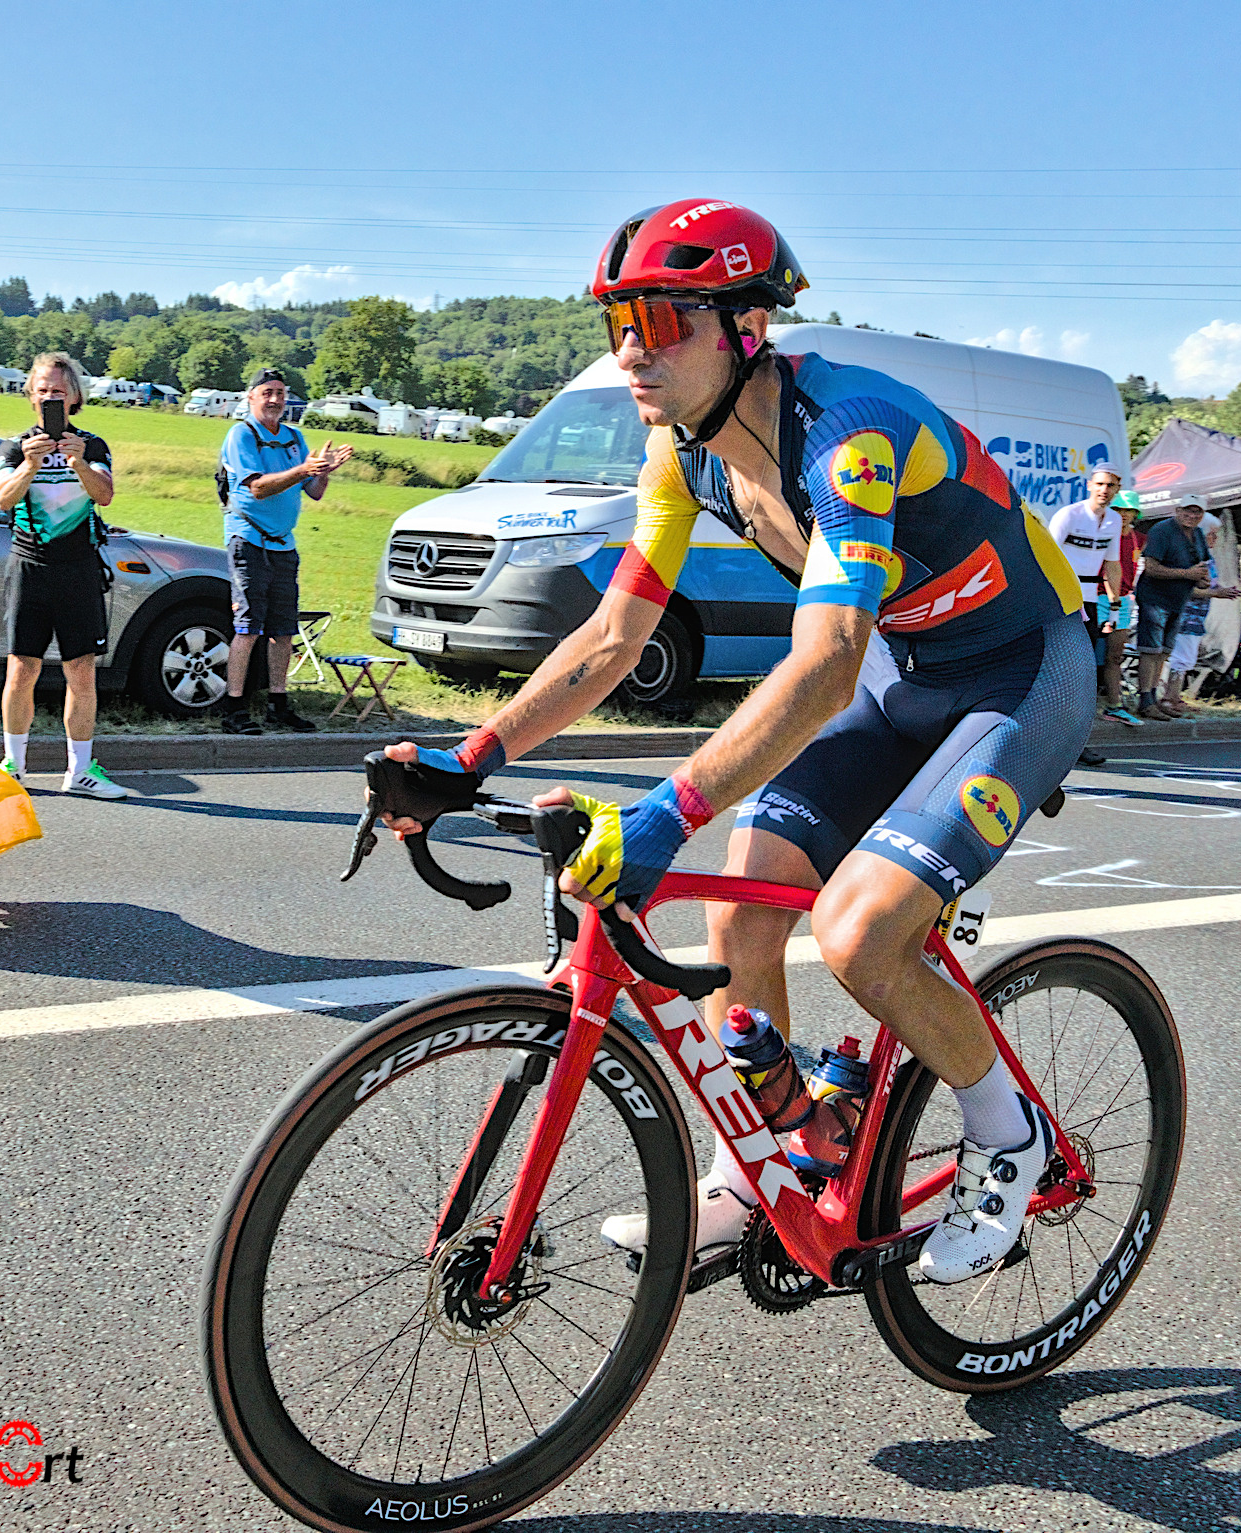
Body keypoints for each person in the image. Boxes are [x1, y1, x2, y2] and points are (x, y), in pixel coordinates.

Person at [379, 200, 1093, 1283]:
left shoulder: (847, 435)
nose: (630, 350)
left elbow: (822, 664)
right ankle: (751, 1168)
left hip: (1017, 672)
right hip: (908, 674)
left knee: (858, 934)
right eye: (616, 322)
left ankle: (1009, 1137)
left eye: (659, 319)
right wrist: (471, 754)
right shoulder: (677, 457)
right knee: (733, 915)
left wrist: (667, 809)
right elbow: (614, 636)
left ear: (742, 326)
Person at [0, 352, 127, 799]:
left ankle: (82, 770)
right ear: (31, 396)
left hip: (79, 568)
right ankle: (13, 764)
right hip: (28, 565)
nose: (51, 397)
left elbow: (104, 496)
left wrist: (79, 462)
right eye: (43, 390)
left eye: (59, 391)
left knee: (81, 671)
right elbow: (2, 501)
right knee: (22, 668)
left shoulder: (94, 445)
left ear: (75, 397)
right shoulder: (15, 446)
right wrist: (31, 465)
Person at [217, 368, 353, 735]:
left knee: (284, 630)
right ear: (251, 397)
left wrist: (323, 471)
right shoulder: (241, 435)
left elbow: (314, 492)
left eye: (280, 392)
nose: (275, 400)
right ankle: (234, 709)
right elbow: (258, 488)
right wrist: (304, 469)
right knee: (247, 627)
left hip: (284, 544)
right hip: (248, 539)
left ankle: (279, 705)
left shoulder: (294, 437)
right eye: (267, 392)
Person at [1046, 466, 1123, 762]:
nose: (1105, 490)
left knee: (1082, 675)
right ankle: (1047, 740)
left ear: (1117, 489)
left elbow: (1112, 565)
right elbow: (1047, 556)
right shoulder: (1069, 515)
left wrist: (1115, 606)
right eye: (1100, 484)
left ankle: (1073, 744)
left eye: (1111, 486)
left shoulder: (1114, 520)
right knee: (1056, 671)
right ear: (1090, 485)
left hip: (1089, 601)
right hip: (1062, 597)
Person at [1132, 494, 1216, 718]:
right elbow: (1150, 567)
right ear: (1177, 510)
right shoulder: (1162, 530)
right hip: (1155, 597)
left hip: (1179, 599)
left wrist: (1201, 579)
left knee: (1164, 651)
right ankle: (1145, 700)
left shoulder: (1197, 534)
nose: (1192, 515)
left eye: (1197, 512)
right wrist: (1187, 574)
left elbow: (1200, 565)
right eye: (1187, 510)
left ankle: (1154, 697)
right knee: (1151, 650)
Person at [1156, 512, 1240, 715]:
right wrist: (1215, 592)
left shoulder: (1204, 557)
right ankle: (1169, 697)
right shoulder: (1187, 557)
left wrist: (1220, 589)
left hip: (1197, 616)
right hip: (1185, 615)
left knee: (1187, 656)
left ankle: (1175, 696)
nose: (1215, 539)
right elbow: (1183, 587)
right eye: (1211, 534)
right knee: (1180, 656)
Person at [1097, 494, 1144, 724]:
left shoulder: (1139, 539)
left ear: (1136, 513)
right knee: (1087, 654)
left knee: (1115, 655)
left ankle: (1114, 705)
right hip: (1097, 597)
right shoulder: (1101, 532)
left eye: (1129, 510)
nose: (1123, 514)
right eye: (1118, 509)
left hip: (1123, 600)